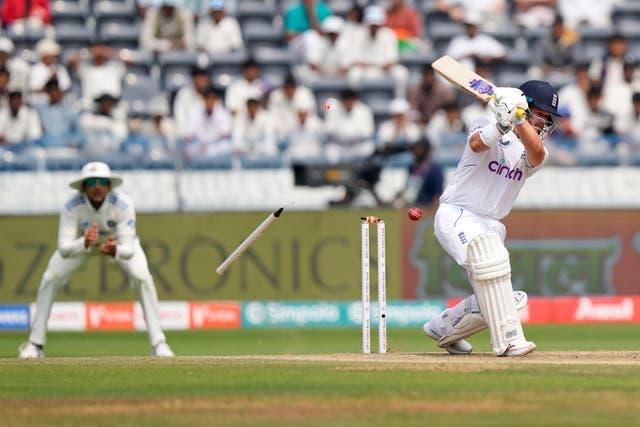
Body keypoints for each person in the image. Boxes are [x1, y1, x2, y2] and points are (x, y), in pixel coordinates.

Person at [422, 80, 562, 357]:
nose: (544, 123)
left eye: (548, 119)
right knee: (492, 264)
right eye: (541, 115)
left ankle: (442, 326)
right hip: (457, 214)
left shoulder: (534, 150)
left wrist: (519, 117)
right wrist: (501, 124)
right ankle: (508, 341)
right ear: (526, 105)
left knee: (500, 296)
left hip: (491, 224)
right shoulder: (483, 122)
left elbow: (536, 153)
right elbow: (476, 144)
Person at [18, 162, 175, 358]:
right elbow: (64, 249)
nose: (97, 186)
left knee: (142, 277)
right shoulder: (71, 205)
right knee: (51, 277)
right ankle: (35, 344)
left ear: (109, 185)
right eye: (91, 182)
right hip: (85, 244)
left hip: (116, 244)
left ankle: (159, 344)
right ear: (84, 186)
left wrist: (115, 249)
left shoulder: (123, 204)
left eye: (102, 182)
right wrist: (84, 242)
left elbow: (128, 248)